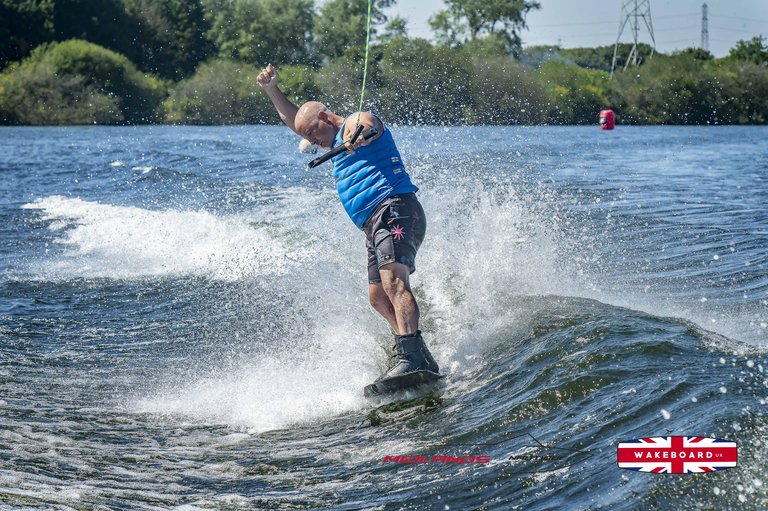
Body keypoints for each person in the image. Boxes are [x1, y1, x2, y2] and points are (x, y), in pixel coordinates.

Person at [256, 63, 440, 391]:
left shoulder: (353, 123)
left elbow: (369, 124)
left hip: (394, 209)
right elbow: (294, 119)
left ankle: (410, 356)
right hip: (373, 223)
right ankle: (418, 354)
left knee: (394, 282)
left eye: (313, 134)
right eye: (307, 139)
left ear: (325, 118)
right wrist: (272, 91)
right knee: (377, 297)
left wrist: (358, 135)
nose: (313, 142)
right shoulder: (328, 142)